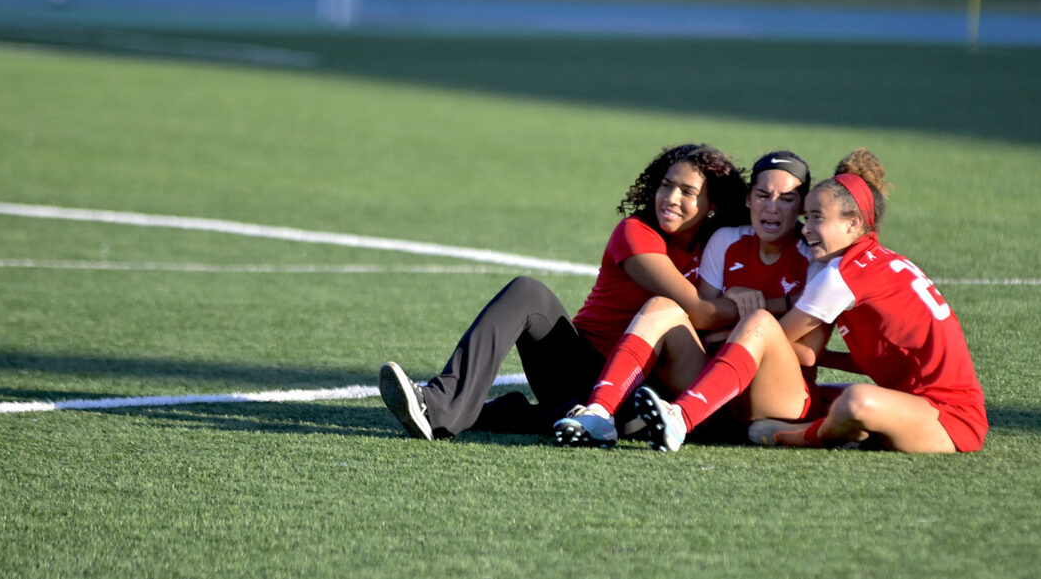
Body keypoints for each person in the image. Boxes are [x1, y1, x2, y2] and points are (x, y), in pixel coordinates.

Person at [379, 143, 749, 440]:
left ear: (712, 204)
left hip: (647, 387)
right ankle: (437, 405)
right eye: (666, 185)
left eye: (687, 191)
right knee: (528, 293)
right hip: (578, 367)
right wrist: (753, 306)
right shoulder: (635, 233)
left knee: (634, 420)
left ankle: (518, 413)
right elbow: (698, 312)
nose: (670, 197)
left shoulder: (722, 247)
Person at [633, 148, 988, 454]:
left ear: (852, 224)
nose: (805, 228)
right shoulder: (875, 260)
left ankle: (781, 433)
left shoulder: (839, 275)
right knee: (827, 398)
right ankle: (846, 431)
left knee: (854, 401)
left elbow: (773, 339)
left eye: (816, 218)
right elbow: (883, 354)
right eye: (807, 217)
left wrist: (713, 337)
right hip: (913, 398)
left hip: (949, 419)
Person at [552, 150, 816, 447]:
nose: (772, 207)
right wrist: (743, 316)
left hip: (773, 396)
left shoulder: (815, 258)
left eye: (787, 199)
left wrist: (750, 324)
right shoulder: (724, 242)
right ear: (748, 198)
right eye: (762, 195)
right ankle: (599, 413)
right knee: (662, 306)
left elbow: (808, 354)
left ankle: (680, 418)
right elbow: (699, 319)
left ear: (803, 206)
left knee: (760, 323)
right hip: (713, 391)